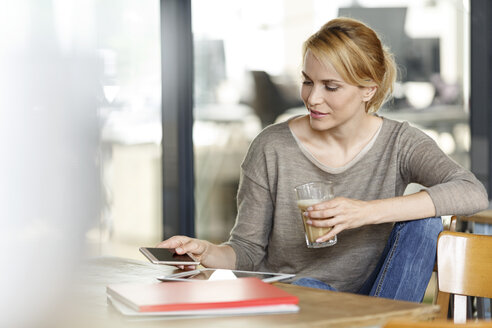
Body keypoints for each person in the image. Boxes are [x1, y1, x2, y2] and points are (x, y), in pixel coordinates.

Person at [158, 17, 489, 302]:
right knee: (306, 287)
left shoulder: (400, 143)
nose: (312, 98)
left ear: (368, 90)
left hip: (378, 297)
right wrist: (206, 252)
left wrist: (365, 212)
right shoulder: (272, 147)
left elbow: (472, 192)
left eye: (330, 86)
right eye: (307, 81)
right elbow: (245, 251)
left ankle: (383, 319)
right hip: (298, 298)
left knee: (424, 223)